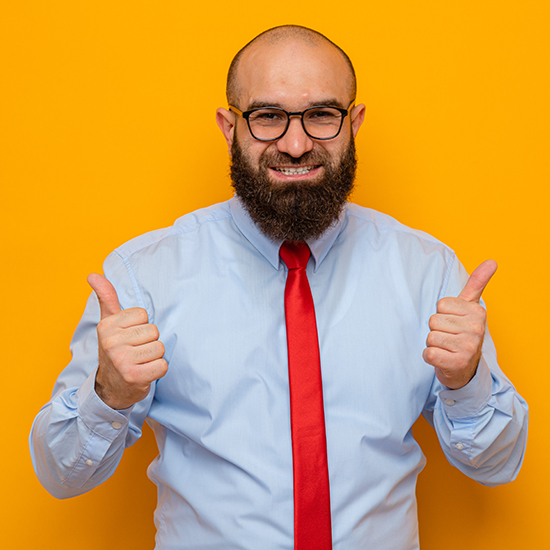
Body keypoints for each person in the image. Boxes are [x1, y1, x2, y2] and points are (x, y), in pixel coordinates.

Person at [30, 25, 528, 550]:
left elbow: (497, 466)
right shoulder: (144, 275)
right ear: (229, 127)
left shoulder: (426, 271)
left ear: (354, 123)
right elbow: (62, 476)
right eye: (268, 117)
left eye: (322, 115)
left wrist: (465, 380)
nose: (295, 144)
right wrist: (109, 394)